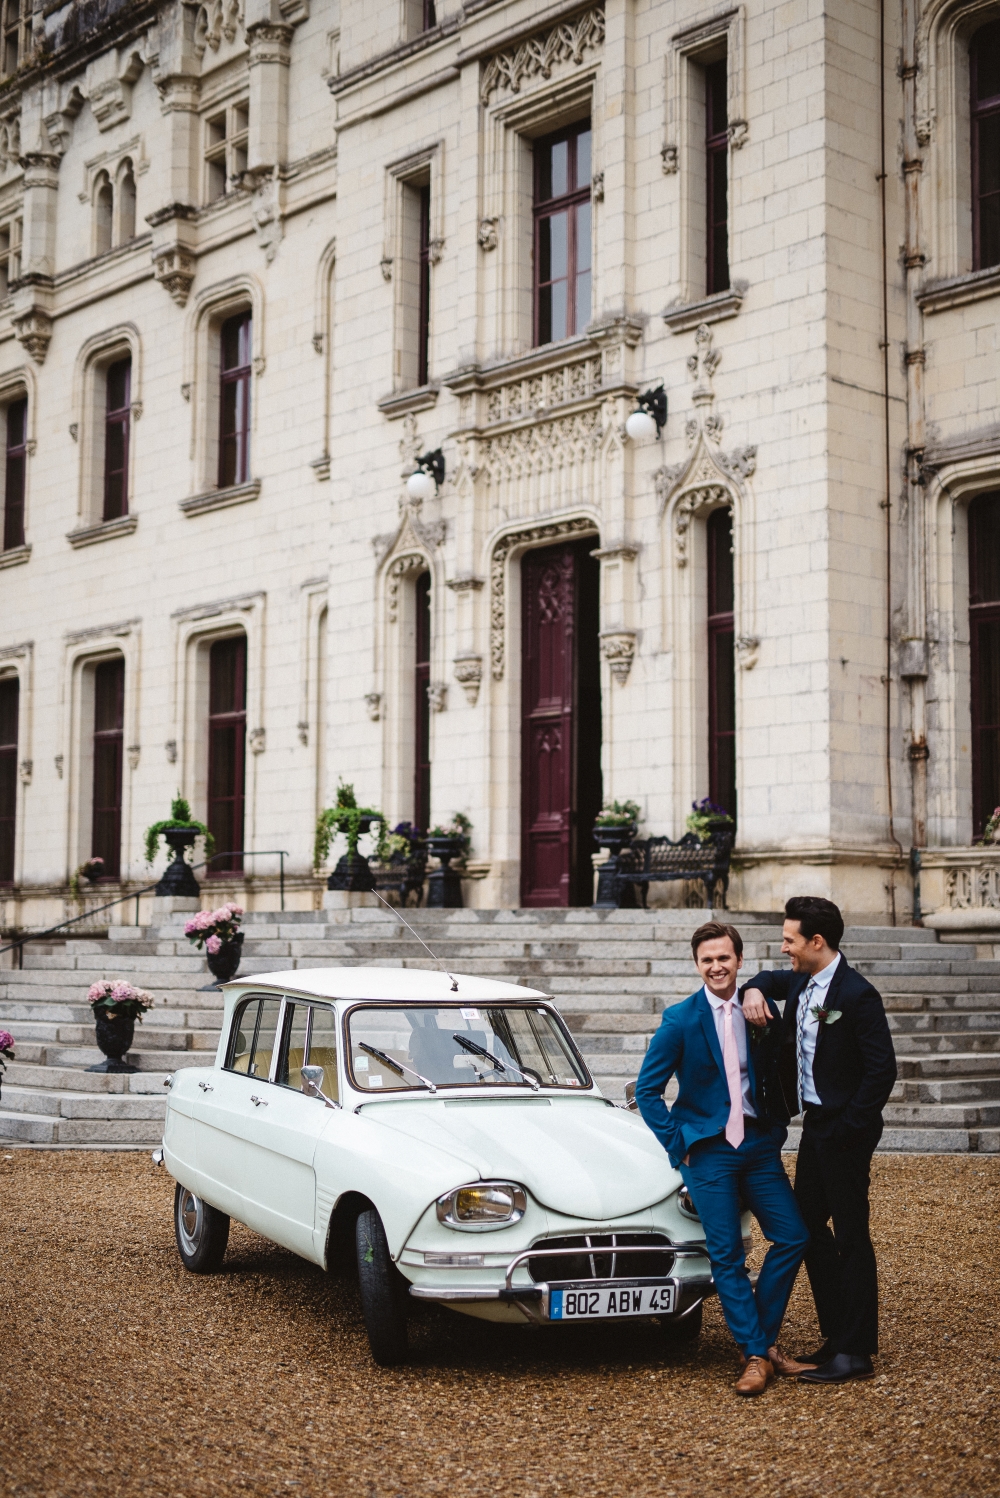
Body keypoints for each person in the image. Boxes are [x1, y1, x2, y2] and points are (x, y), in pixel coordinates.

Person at [635, 920, 811, 1397]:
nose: (717, 966)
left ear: (739, 962)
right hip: (708, 1150)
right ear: (697, 965)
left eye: (724, 958)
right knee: (727, 1254)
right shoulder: (680, 1019)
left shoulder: (760, 1012)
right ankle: (757, 1354)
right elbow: (648, 1091)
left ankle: (760, 1341)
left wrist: (775, 1132)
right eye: (707, 959)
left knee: (792, 1236)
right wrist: (681, 1143)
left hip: (757, 1145)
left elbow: (778, 1073)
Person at [741, 895, 897, 1385]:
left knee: (852, 1236)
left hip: (845, 1132)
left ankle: (856, 1352)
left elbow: (882, 1071)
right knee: (805, 1228)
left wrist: (850, 1127)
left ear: (816, 941)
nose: (783, 947)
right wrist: (750, 988)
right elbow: (767, 980)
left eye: (790, 940)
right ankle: (838, 1334)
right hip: (815, 1128)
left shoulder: (856, 994)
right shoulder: (802, 980)